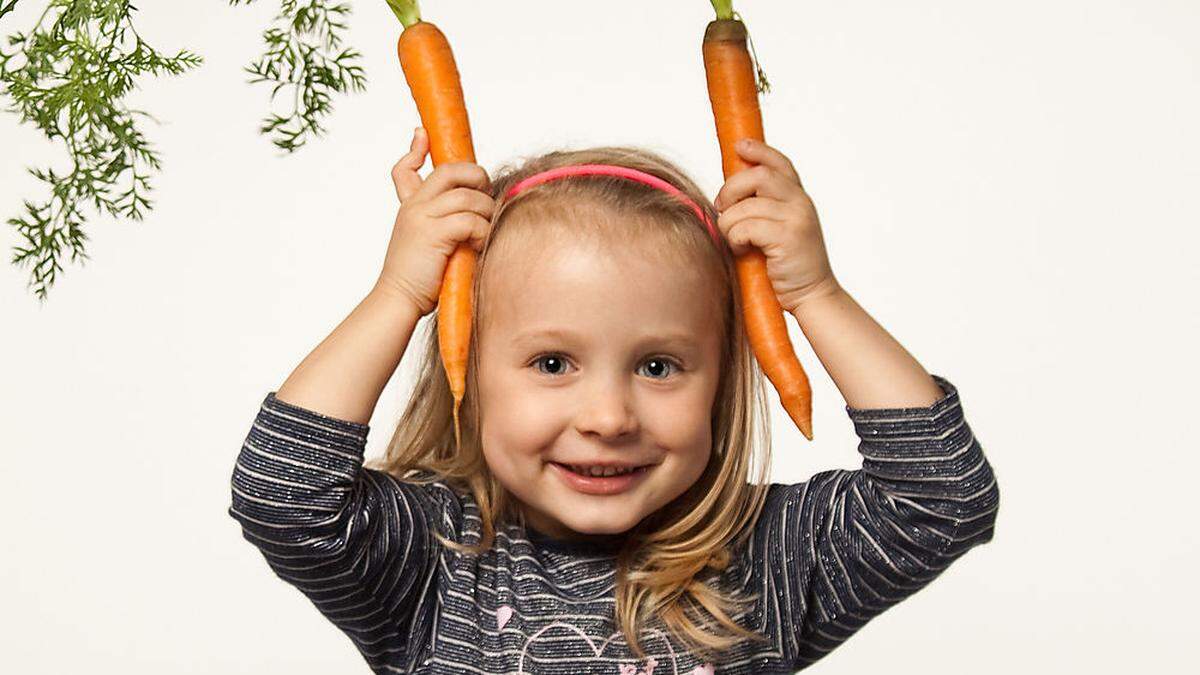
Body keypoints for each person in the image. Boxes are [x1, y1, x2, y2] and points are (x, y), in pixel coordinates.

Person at [228, 126, 1000, 673]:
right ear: (469, 373)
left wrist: (818, 295)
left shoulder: (763, 557)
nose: (608, 417)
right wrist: (398, 294)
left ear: (723, 379)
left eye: (659, 366)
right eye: (554, 361)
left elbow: (943, 500)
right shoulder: (434, 556)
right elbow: (282, 496)